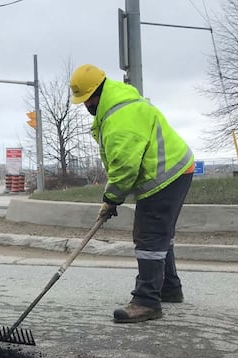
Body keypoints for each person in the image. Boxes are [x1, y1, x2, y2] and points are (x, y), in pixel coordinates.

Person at [69, 64, 195, 324]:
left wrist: (111, 200)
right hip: (175, 170)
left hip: (166, 175)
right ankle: (169, 287)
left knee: (149, 235)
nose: (85, 106)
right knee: (160, 234)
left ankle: (147, 301)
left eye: (86, 100)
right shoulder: (117, 101)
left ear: (96, 93)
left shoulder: (119, 118)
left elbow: (125, 167)